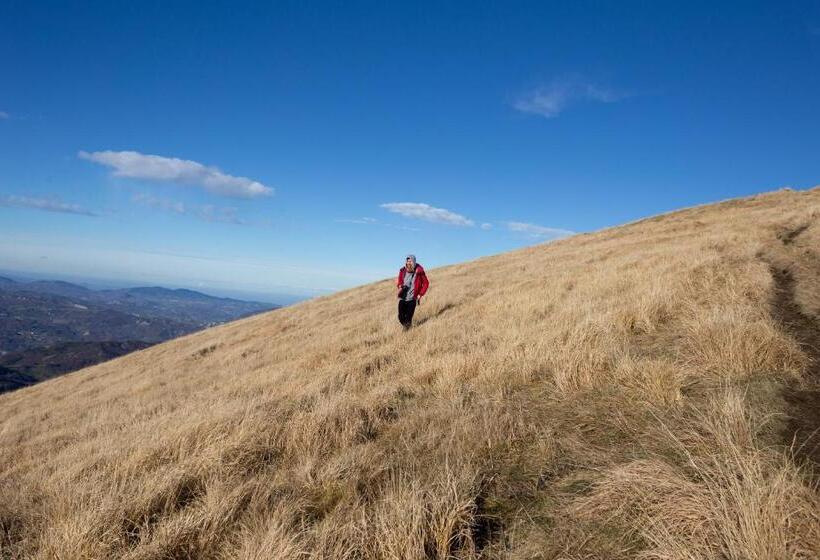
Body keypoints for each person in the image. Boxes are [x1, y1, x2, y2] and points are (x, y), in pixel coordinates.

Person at [396, 254, 429, 330]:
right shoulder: (402, 270)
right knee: (400, 317)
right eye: (407, 261)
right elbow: (399, 281)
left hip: (412, 299)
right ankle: (407, 327)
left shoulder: (419, 271)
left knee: (408, 318)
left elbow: (426, 283)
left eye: (410, 261)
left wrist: (420, 294)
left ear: (413, 262)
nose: (408, 263)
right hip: (403, 298)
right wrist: (400, 285)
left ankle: (407, 331)